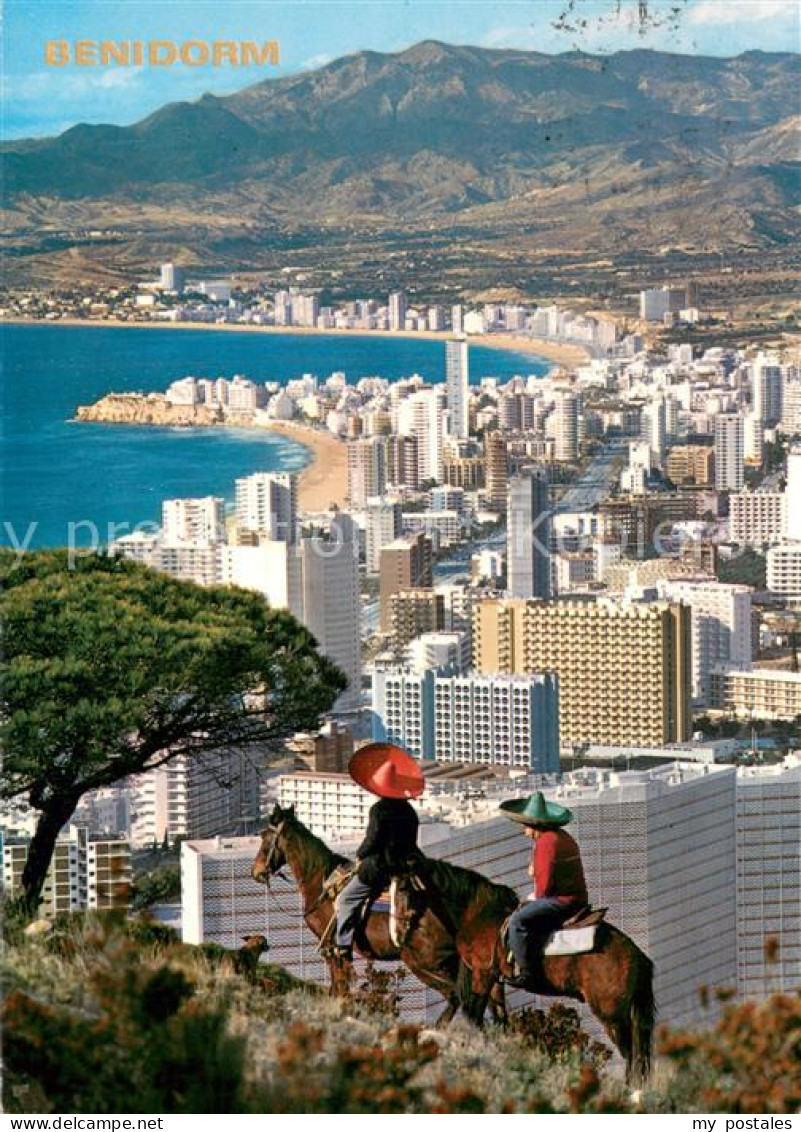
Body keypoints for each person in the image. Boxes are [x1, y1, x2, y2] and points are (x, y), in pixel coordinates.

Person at [332, 742, 425, 961]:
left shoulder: (379, 810)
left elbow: (372, 840)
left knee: (346, 898)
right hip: (410, 863)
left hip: (381, 867)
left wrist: (360, 854)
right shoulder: (409, 811)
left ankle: (343, 944)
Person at [499, 791, 588, 988]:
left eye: (526, 826)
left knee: (517, 922)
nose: (524, 831)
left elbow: (544, 888)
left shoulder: (546, 843)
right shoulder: (562, 837)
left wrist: (533, 896)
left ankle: (528, 973)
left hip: (563, 901)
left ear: (535, 825)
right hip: (576, 897)